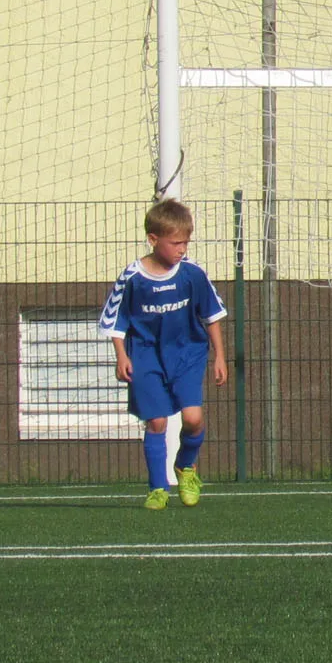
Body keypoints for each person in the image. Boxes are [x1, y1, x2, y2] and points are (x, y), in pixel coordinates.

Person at [99, 199, 229, 510]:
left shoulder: (192, 274)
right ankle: (158, 488)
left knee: (193, 419)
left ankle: (185, 467)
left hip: (187, 353)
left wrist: (220, 356)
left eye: (185, 242)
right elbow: (115, 320)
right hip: (145, 355)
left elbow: (211, 315)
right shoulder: (133, 277)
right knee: (156, 421)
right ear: (153, 239)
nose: (182, 249)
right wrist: (121, 355)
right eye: (175, 243)